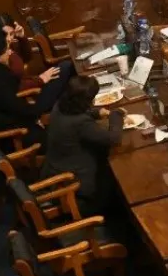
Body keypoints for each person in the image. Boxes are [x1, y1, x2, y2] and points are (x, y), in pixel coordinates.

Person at [40, 76, 125, 216]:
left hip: (56, 168)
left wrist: (96, 113)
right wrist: (117, 115)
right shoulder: (80, 123)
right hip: (76, 184)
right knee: (118, 175)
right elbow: (114, 138)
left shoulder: (59, 105)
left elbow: (76, 112)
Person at [0, 28, 55, 148]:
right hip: (9, 137)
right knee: (58, 140)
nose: (9, 52)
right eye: (6, 49)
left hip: (3, 122)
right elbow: (14, 107)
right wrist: (38, 114)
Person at [0, 13, 61, 93]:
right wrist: (40, 79)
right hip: (23, 96)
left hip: (32, 83)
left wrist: (21, 37)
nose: (8, 38)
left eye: (11, 34)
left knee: (66, 73)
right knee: (66, 68)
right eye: (4, 34)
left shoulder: (7, 46)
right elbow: (9, 86)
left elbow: (27, 58)